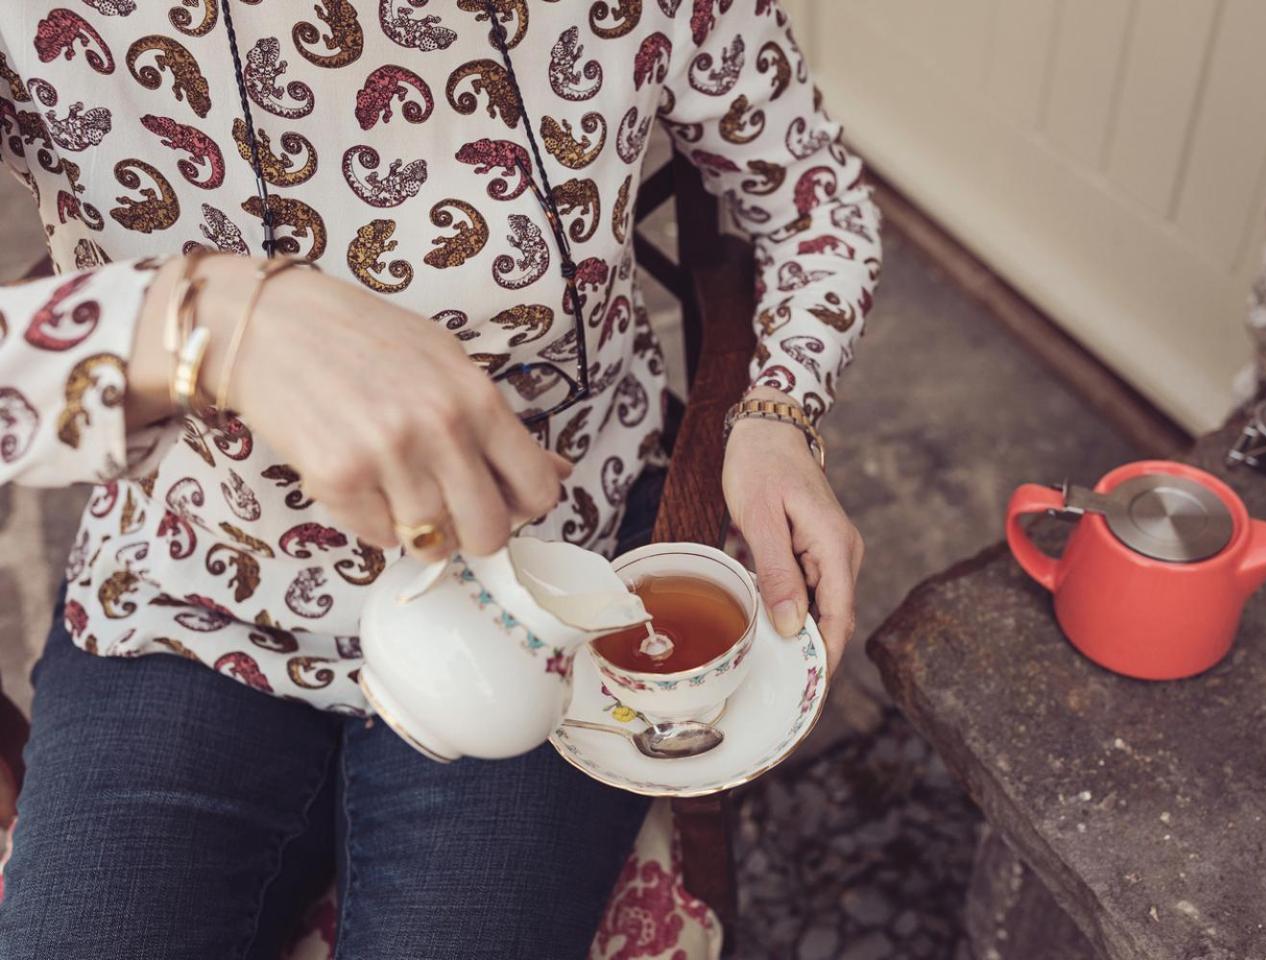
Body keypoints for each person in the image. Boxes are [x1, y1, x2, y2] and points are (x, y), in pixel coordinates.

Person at [0, 1, 879, 956]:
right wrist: (191, 320)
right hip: (192, 583)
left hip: (552, 588)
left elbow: (814, 197)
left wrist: (777, 413)